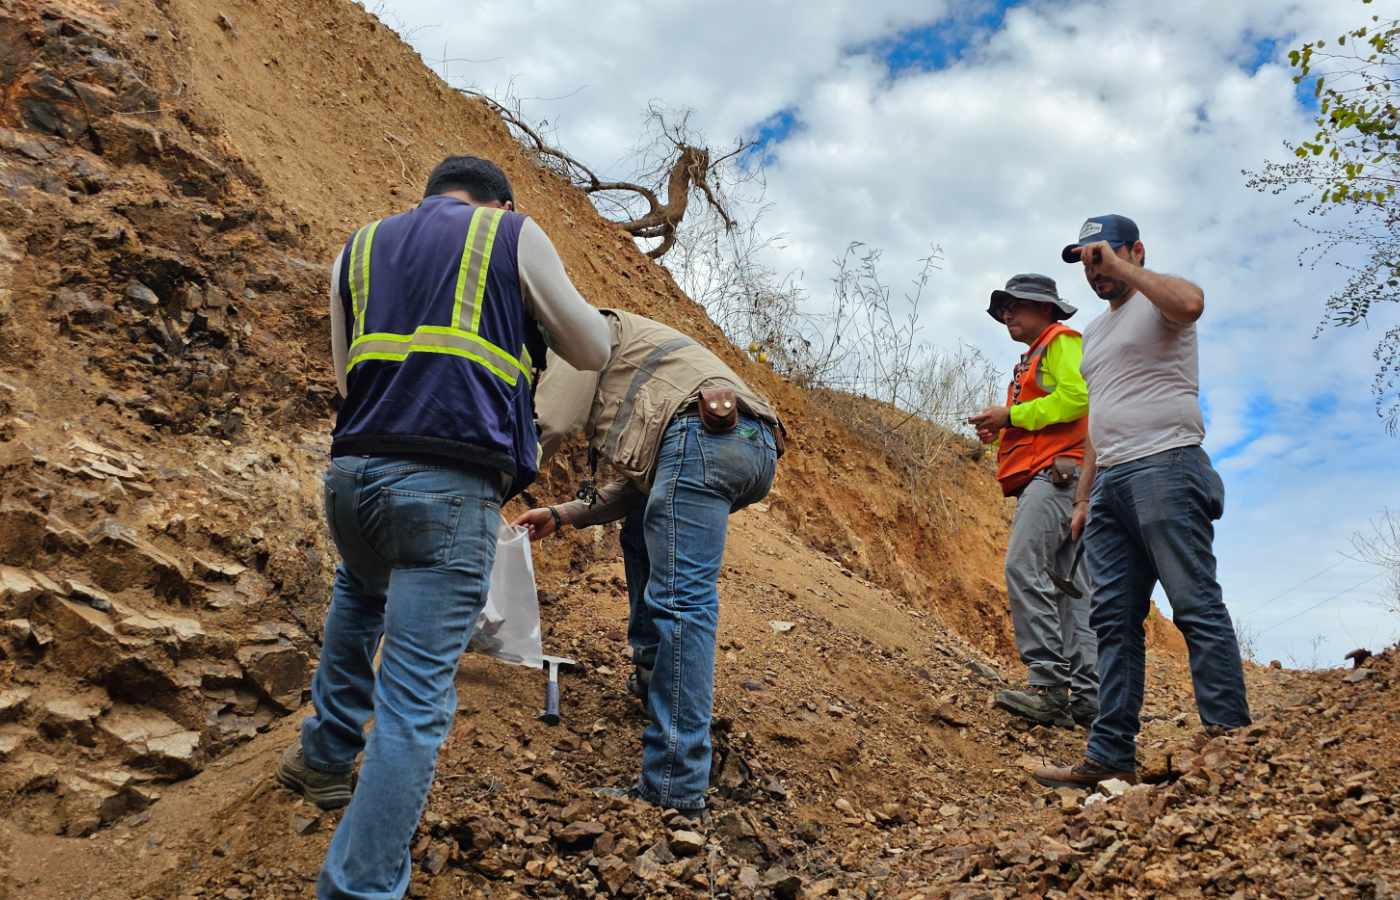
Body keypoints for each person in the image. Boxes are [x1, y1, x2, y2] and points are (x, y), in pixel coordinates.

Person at [275, 155, 610, 899]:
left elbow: (345, 374)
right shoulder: (509, 234)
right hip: (448, 487)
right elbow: (593, 349)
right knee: (414, 700)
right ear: (499, 203)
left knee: (360, 594)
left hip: (353, 476)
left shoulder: (359, 246)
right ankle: (360, 888)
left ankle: (323, 758)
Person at [513, 310, 782, 817]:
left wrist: (491, 485)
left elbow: (553, 422)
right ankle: (652, 677)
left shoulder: (571, 331)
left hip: (702, 436)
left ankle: (675, 784)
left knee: (683, 602)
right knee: (641, 530)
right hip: (749, 443)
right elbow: (635, 488)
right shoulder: (630, 351)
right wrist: (561, 514)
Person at [1034, 214, 1250, 790]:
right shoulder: (1094, 335)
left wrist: (1124, 269)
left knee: (1194, 604)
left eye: (1101, 255)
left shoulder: (1160, 301)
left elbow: (1193, 303)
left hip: (1168, 465)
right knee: (1111, 621)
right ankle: (1110, 754)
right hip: (1109, 486)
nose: (1094, 269)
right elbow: (1098, 420)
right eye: (1086, 261)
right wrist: (1084, 498)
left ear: (1135, 250)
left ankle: (1232, 743)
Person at [969, 274, 1098, 729]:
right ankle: (1088, 697)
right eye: (1003, 308)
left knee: (1024, 567)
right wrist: (1004, 426)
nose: (1007, 314)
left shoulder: (1060, 342)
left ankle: (1048, 686)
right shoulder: (1035, 357)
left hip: (1057, 475)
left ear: (1045, 308)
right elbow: (1047, 412)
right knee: (1070, 589)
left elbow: (1078, 398)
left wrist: (1012, 415)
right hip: (1066, 478)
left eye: (1016, 305)